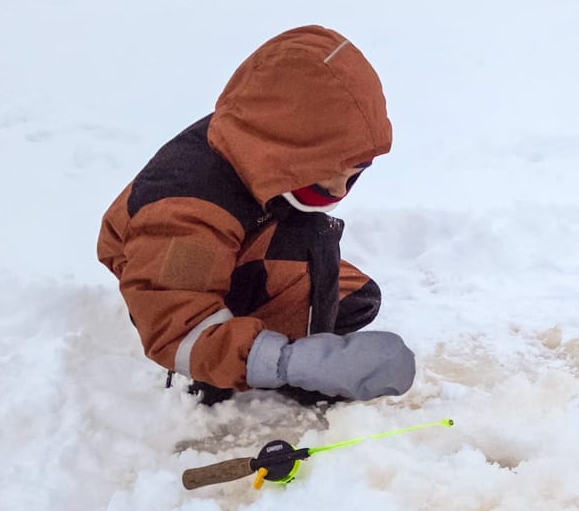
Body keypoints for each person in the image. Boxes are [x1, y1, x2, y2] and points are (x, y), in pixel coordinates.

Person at [98, 25, 415, 406]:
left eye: (355, 174)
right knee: (207, 344)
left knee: (355, 299)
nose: (339, 190)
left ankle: (258, 333)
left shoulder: (258, 142)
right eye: (332, 171)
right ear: (286, 151)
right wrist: (289, 363)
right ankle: (217, 367)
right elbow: (176, 330)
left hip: (240, 242)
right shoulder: (186, 216)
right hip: (167, 272)